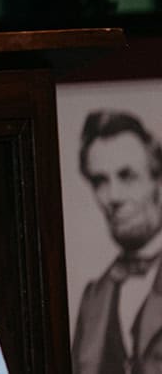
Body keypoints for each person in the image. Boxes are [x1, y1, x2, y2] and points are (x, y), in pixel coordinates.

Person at [72, 109, 162, 374]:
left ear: (157, 181)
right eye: (100, 181)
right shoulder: (93, 299)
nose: (113, 196)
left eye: (127, 176)